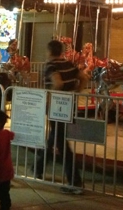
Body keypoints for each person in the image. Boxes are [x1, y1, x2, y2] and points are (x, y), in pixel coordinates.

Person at [34, 39, 87, 193]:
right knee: (54, 136)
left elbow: (58, 83)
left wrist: (51, 99)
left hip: (56, 108)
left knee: (62, 144)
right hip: (69, 106)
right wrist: (77, 91)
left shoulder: (51, 65)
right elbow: (84, 77)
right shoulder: (69, 64)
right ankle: (38, 167)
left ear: (49, 51)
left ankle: (75, 182)